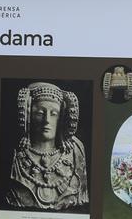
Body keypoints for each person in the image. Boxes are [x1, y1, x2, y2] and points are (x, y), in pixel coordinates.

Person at [5, 81, 87, 211]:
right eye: (40, 113)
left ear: (62, 118)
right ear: (28, 116)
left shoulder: (76, 150)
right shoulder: (15, 152)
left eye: (54, 114)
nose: (47, 120)